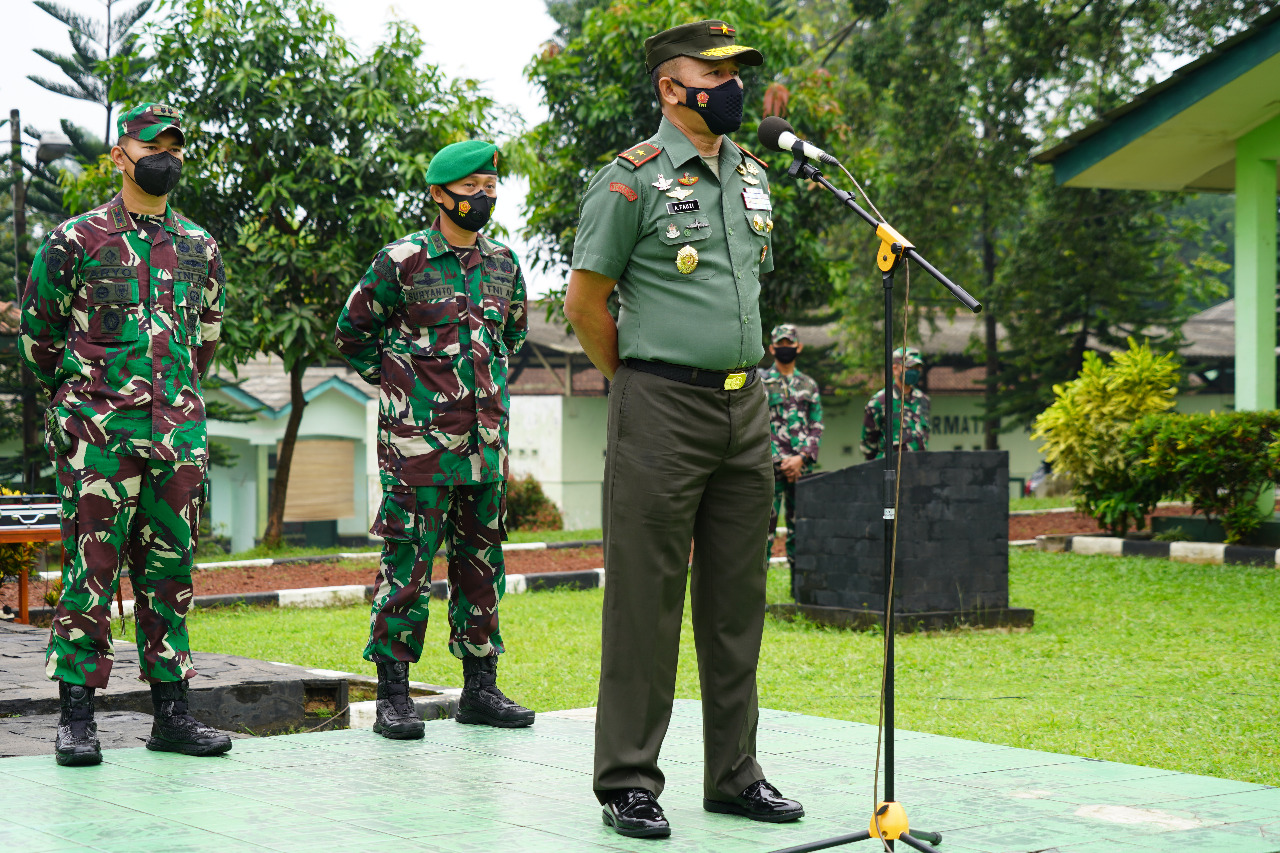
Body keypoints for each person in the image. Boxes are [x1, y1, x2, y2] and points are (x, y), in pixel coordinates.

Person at [564, 19, 804, 841]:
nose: (734, 85)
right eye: (719, 71)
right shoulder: (629, 182)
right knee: (646, 601)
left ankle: (736, 773)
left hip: (748, 407)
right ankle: (629, 780)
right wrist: (639, 380)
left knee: (737, 604)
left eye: (740, 72)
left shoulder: (752, 174)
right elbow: (586, 306)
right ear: (673, 86)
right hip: (661, 404)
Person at [20, 102, 231, 766]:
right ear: (120, 155)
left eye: (174, 145)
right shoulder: (75, 240)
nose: (164, 156)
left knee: (170, 576)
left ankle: (171, 714)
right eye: (151, 145)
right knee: (91, 572)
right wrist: (87, 398)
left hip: (176, 440)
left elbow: (207, 342)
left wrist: (171, 401)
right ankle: (77, 718)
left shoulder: (201, 245)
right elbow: (39, 340)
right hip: (97, 440)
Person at [334, 139, 533, 740]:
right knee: (406, 569)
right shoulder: (404, 260)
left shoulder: (504, 265)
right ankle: (394, 694)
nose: (482, 198)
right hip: (416, 452)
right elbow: (353, 333)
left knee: (482, 568)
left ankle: (481, 687)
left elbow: (512, 340)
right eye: (470, 189)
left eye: (490, 188)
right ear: (439, 194)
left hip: (484, 452)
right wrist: (402, 390)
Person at [761, 323, 823, 589]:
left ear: (799, 347)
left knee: (803, 531)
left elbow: (816, 424)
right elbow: (757, 424)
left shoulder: (809, 385)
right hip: (768, 469)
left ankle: (802, 593)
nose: (785, 349)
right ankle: (756, 596)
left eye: (790, 344)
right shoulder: (760, 382)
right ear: (773, 348)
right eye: (781, 345)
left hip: (802, 470)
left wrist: (801, 458)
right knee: (763, 533)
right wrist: (780, 459)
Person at [861, 346, 930, 460]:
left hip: (918, 470)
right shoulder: (880, 402)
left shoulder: (923, 400)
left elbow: (923, 437)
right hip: (889, 471)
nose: (914, 371)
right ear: (895, 369)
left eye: (917, 368)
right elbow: (868, 445)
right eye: (909, 367)